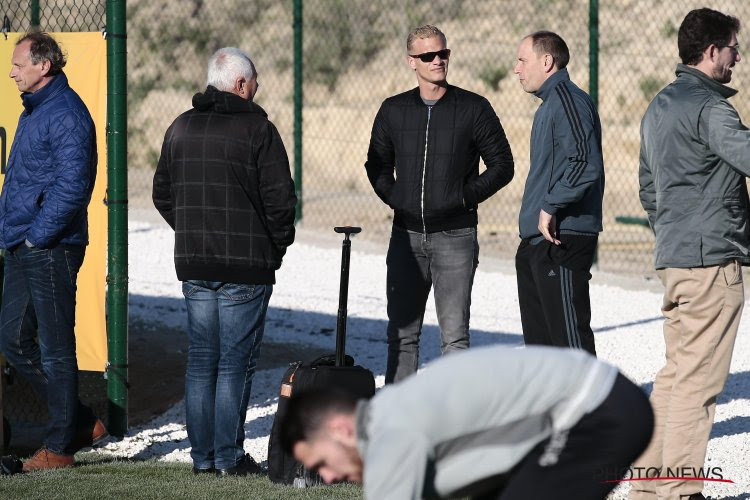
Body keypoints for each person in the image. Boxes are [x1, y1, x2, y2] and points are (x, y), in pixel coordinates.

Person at [152, 47, 296, 477]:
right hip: (245, 267)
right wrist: (275, 248)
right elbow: (280, 202)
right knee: (234, 362)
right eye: (254, 81)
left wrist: (191, 231)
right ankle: (228, 458)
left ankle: (202, 459)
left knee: (201, 360)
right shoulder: (258, 130)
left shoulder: (180, 127)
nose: (257, 88)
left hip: (195, 264)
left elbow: (162, 194)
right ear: (239, 84)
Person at [279, 345, 653, 500]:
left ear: (340, 429)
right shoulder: (392, 414)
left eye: (321, 463)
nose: (326, 478)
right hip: (596, 407)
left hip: (597, 411)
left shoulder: (389, 432)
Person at [632, 8, 747, 500]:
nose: (738, 57)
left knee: (674, 378)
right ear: (712, 51)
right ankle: (680, 491)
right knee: (697, 385)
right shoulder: (712, 109)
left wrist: (673, 233)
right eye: (734, 48)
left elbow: (647, 187)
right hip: (711, 264)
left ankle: (646, 489)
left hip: (675, 259)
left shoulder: (658, 105)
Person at [364, 25, 514, 384]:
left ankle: (452, 425)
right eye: (428, 56)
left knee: (455, 339)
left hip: (456, 237)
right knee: (402, 335)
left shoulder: (474, 108)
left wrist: (462, 197)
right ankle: (400, 421)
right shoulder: (394, 110)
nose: (437, 61)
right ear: (411, 62)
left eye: (442, 53)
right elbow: (376, 164)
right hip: (405, 237)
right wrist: (397, 197)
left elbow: (502, 166)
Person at [0, 31, 105, 471]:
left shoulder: (67, 114)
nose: (11, 72)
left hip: (50, 245)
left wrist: (37, 236)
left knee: (57, 348)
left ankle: (60, 448)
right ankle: (80, 422)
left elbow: (72, 187)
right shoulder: (37, 110)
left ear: (44, 66)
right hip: (26, 244)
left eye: (19, 64)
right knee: (12, 337)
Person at [513, 31, 604, 355]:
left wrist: (550, 205)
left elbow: (585, 163)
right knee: (544, 354)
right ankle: (551, 408)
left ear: (547, 61)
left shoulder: (567, 100)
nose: (517, 69)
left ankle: (590, 407)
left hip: (563, 237)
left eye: (523, 60)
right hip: (540, 241)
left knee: (570, 348)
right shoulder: (551, 104)